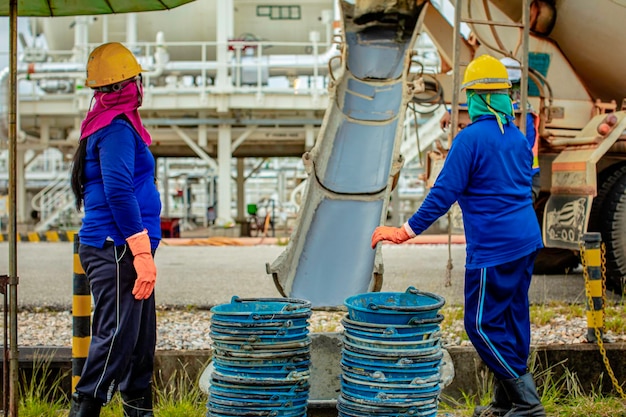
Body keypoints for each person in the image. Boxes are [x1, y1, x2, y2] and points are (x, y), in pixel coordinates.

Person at [372, 55, 546, 417]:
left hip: (494, 250)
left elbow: (442, 193)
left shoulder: (469, 139)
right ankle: (506, 402)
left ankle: (527, 403)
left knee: (480, 324)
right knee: (512, 319)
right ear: (503, 96)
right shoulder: (516, 137)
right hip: (527, 241)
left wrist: (404, 231)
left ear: (477, 99)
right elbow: (527, 184)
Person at [69, 42, 161, 417]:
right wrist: (140, 252)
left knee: (139, 344)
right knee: (116, 342)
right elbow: (119, 190)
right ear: (130, 84)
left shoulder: (105, 123)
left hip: (121, 248)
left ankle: (139, 412)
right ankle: (84, 408)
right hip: (118, 248)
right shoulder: (118, 129)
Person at [440, 56, 541, 203]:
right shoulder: (521, 111)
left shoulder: (519, 113)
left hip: (524, 178)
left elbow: (490, 107)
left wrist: (453, 110)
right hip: (519, 179)